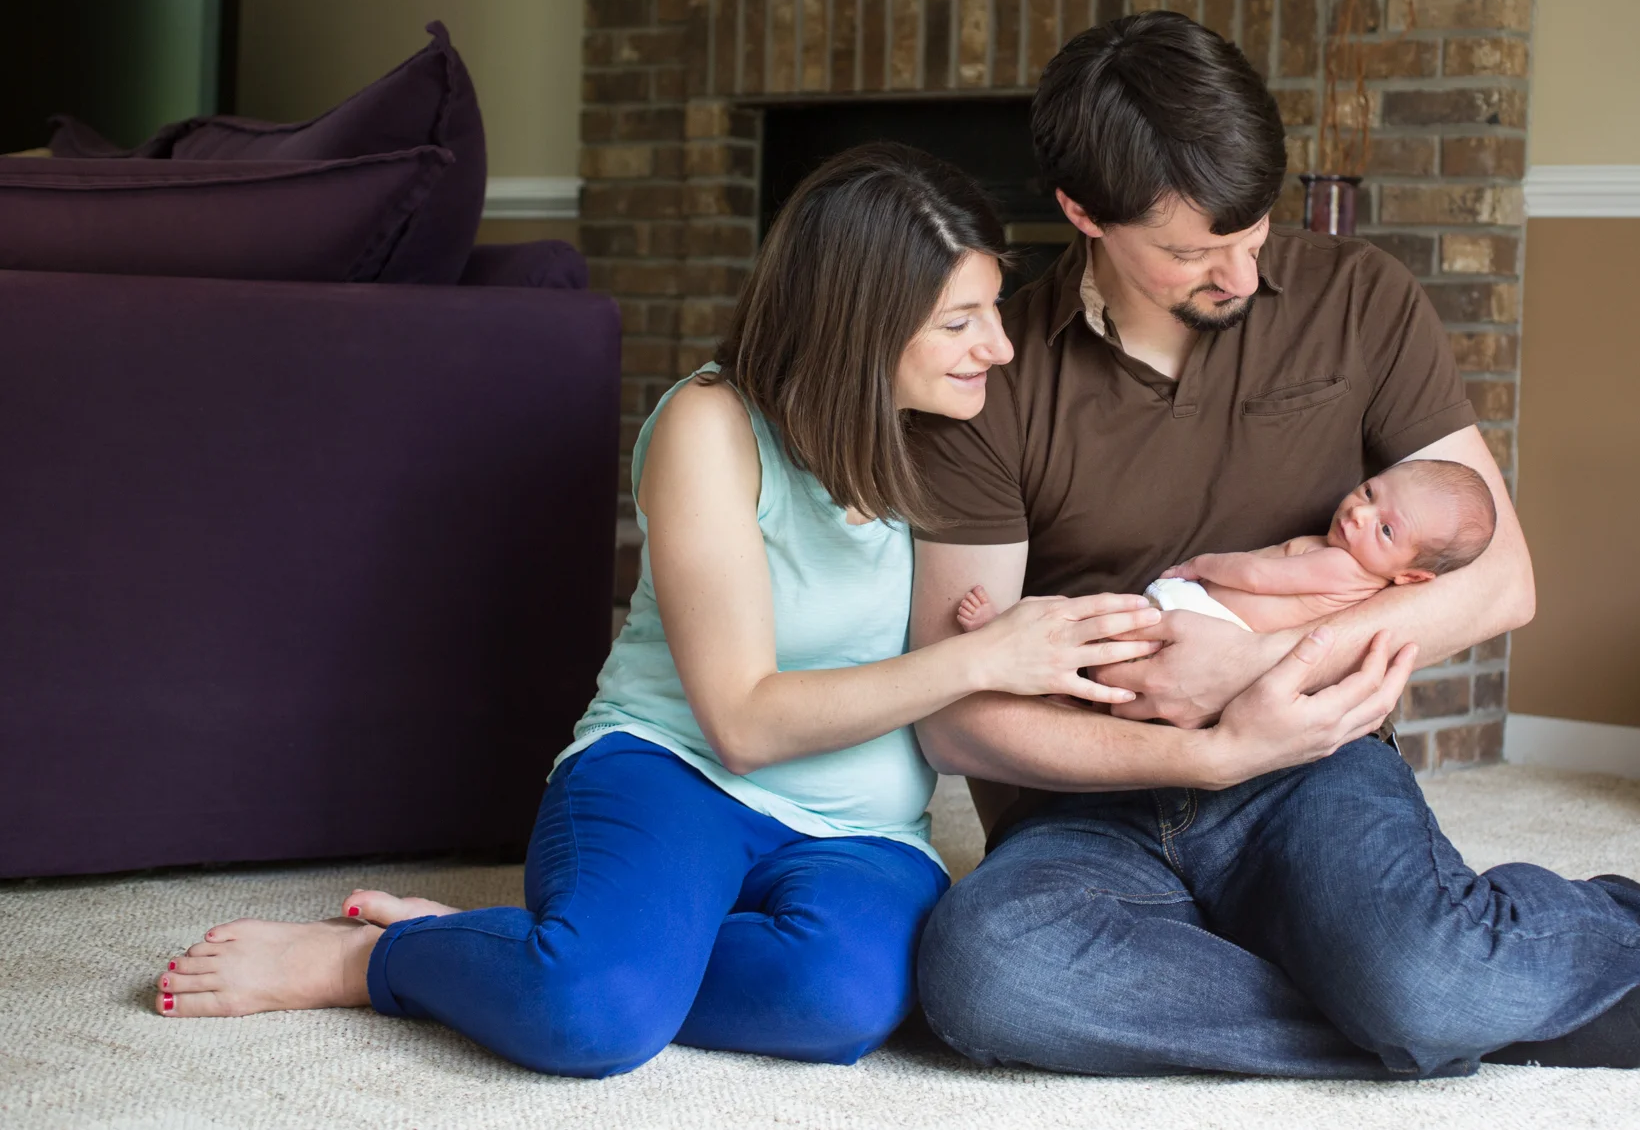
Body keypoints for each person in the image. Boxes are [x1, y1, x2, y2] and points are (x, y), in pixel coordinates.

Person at [906, 12, 1640, 1080]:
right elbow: (952, 715)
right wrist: (1202, 751)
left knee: (1420, 975)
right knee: (989, 975)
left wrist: (1258, 670)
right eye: (1192, 253)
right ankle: (1482, 993)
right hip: (1086, 807)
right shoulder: (989, 373)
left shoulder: (1360, 301)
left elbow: (1503, 581)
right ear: (1081, 213)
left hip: (1311, 764)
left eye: (1253, 231)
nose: (1239, 274)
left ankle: (1592, 941)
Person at [149, 143, 1172, 1078]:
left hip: (862, 829)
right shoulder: (711, 425)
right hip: (677, 771)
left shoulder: (958, 433)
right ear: (857, 324)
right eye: (959, 322)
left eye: (993, 308)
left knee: (839, 1003)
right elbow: (743, 720)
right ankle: (377, 960)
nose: (998, 347)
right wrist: (980, 658)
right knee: (590, 1017)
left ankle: (554, 947)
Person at [955, 458, 1497, 636]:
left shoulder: (1342, 568)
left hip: (1201, 617)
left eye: (1386, 530)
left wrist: (1200, 564)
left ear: (1411, 576)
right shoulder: (1350, 559)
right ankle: (1018, 635)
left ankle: (1008, 628)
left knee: (1092, 625)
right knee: (1094, 632)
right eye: (1370, 492)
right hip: (1197, 617)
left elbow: (1259, 577)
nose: (1359, 514)